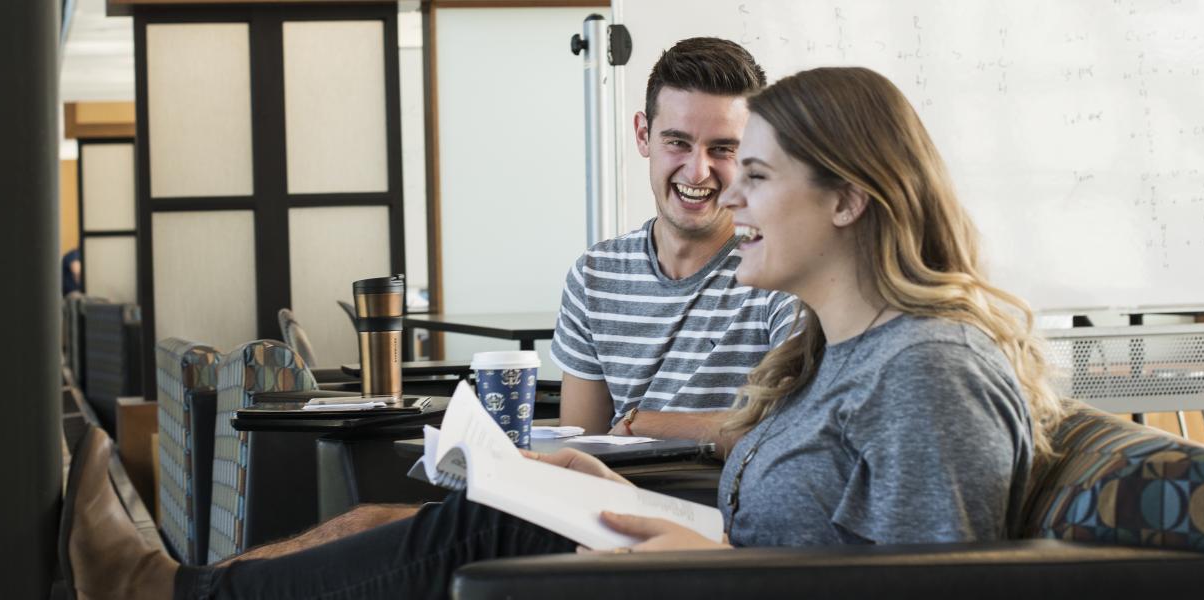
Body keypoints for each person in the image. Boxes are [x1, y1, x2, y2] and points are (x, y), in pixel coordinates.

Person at [61, 66, 1067, 599]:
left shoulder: (928, 367)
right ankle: (177, 594)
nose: (728, 195)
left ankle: (170, 598)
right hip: (713, 577)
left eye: (754, 174)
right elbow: (802, 539)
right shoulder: (841, 357)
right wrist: (625, 500)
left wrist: (693, 557)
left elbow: (933, 587)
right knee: (462, 525)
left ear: (848, 201)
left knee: (473, 534)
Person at [551, 38, 798, 451]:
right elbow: (581, 448)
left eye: (722, 148)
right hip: (611, 504)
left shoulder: (783, 269)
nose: (697, 171)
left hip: (727, 508)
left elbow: (796, 436)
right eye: (678, 142)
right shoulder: (595, 275)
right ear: (643, 135)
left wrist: (642, 423)